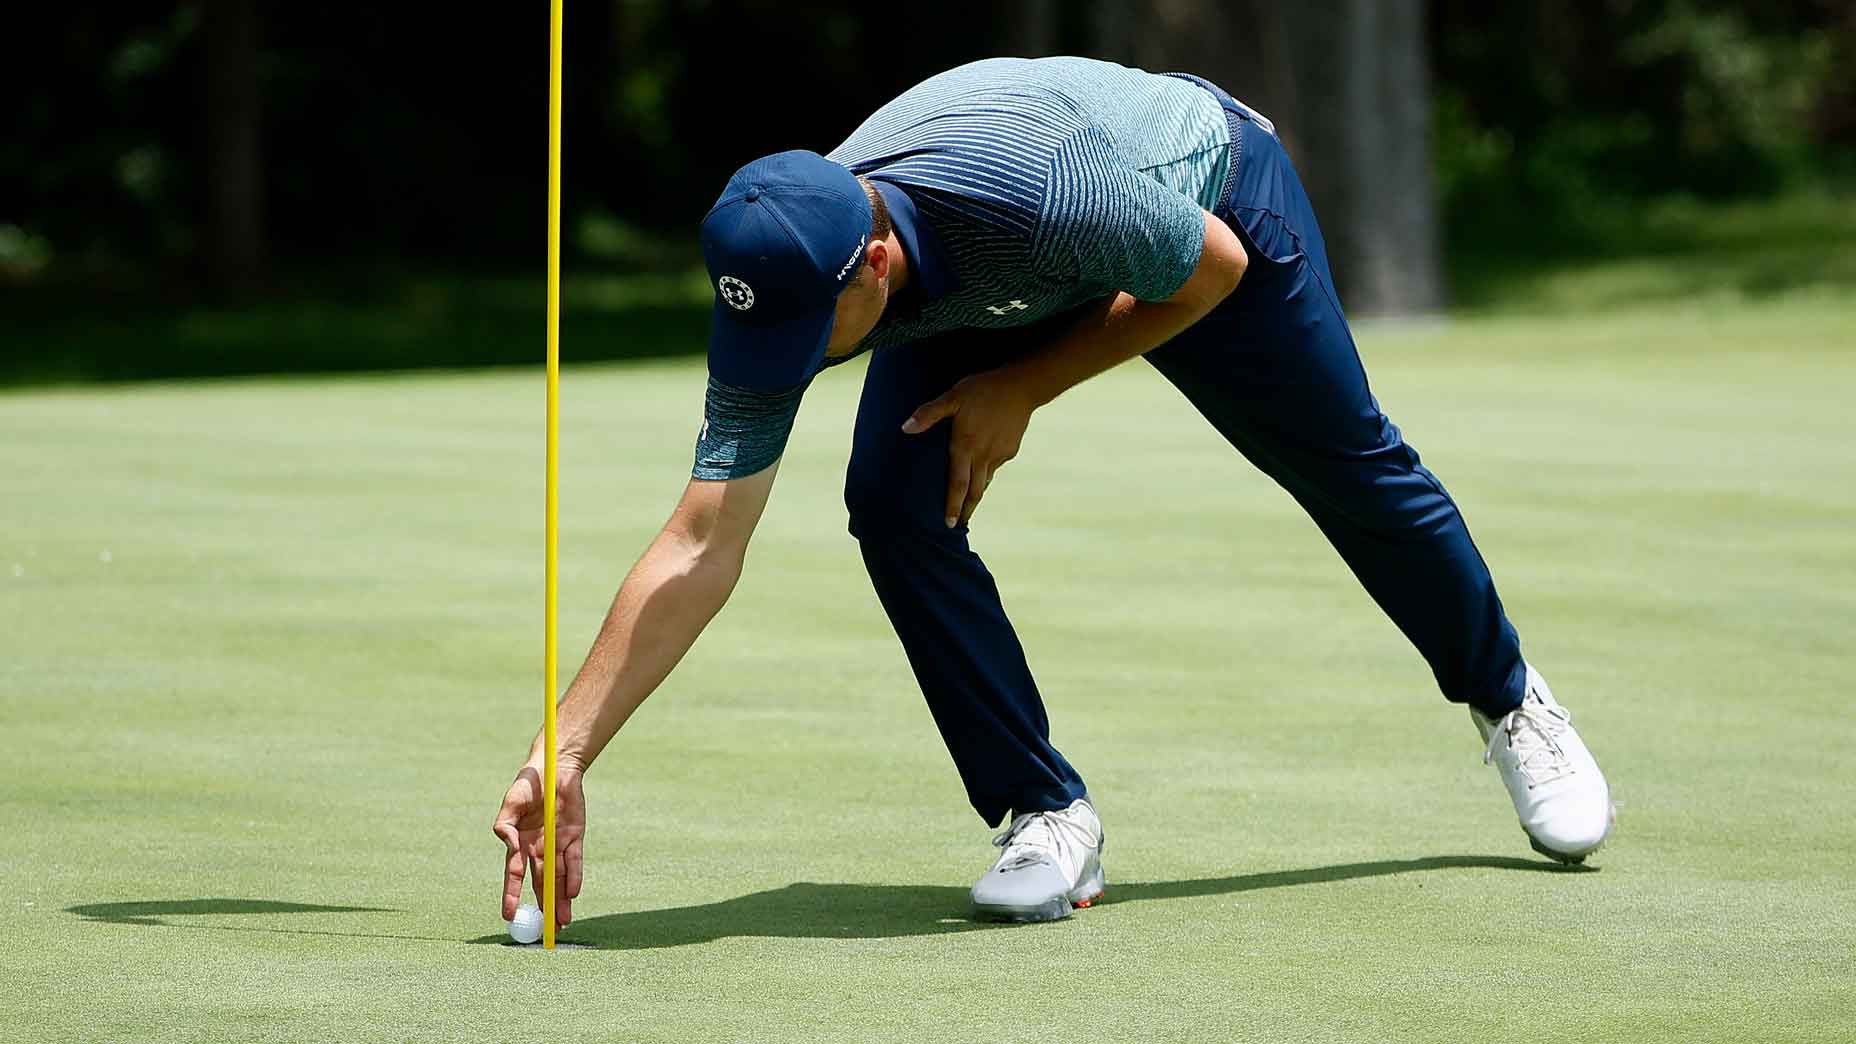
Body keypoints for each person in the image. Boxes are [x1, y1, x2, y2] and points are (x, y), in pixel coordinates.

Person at [493, 56, 1614, 928]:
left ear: (872, 264)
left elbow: (1208, 268)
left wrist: (1020, 386)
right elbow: (701, 541)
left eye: (804, 335)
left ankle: (1510, 697)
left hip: (1201, 196)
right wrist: (567, 747)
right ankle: (1044, 812)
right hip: (980, 283)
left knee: (1342, 460)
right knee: (892, 501)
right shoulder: (791, 272)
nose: (787, 361)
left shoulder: (1032, 189)